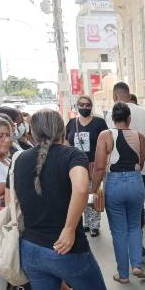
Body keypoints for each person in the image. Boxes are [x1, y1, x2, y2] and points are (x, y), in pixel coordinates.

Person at [15, 109, 136, 290]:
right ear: (62, 131)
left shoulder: (20, 160)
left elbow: (15, 199)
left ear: (31, 133)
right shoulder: (71, 155)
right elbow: (82, 188)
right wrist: (69, 228)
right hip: (67, 250)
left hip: (31, 249)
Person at [92, 103, 145, 284]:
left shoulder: (105, 135)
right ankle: (137, 264)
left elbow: (100, 166)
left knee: (118, 231)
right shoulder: (139, 136)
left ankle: (123, 274)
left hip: (114, 183)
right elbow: (140, 161)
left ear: (112, 119)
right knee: (134, 226)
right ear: (129, 118)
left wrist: (93, 189)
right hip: (135, 181)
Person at [112, 83, 145, 238]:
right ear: (129, 94)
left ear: (115, 95)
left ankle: (130, 241)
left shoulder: (114, 112)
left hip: (119, 170)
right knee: (138, 207)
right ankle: (137, 240)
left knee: (123, 208)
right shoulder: (144, 113)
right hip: (142, 168)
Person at [65, 95, 108, 237]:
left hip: (94, 165)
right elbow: (66, 142)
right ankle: (85, 222)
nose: (85, 107)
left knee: (93, 192)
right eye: (82, 105)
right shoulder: (71, 123)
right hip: (76, 166)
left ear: (91, 106)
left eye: (88, 105)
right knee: (80, 194)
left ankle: (94, 225)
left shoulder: (99, 122)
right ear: (77, 106)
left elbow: (108, 143)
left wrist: (103, 162)